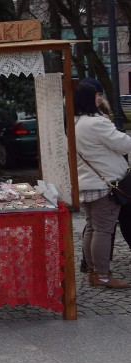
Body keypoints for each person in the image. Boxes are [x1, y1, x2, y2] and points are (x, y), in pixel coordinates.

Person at [74, 82, 131, 289]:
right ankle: (102, 275)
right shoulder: (96, 123)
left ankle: (92, 271)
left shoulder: (75, 122)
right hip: (105, 183)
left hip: (88, 182)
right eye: (96, 95)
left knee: (92, 228)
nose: (99, 99)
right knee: (103, 231)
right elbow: (125, 144)